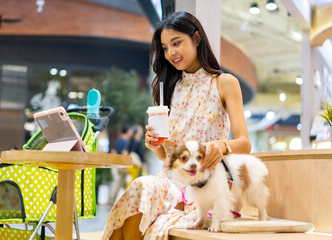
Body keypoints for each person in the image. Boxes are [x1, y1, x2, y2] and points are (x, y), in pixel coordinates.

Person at [102, 11, 251, 240]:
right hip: (169, 180)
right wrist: (155, 146)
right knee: (139, 193)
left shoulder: (225, 83)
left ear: (197, 38)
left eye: (176, 43)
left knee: (142, 189)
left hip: (202, 183)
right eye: (164, 48)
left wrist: (221, 146)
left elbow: (245, 143)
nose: (170, 53)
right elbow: (167, 157)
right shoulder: (170, 89)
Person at [108, 124, 134, 206]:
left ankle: (112, 201)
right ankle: (127, 202)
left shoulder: (118, 140)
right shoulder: (125, 141)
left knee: (118, 183)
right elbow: (124, 153)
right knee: (124, 183)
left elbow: (113, 151)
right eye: (130, 131)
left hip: (116, 164)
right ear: (128, 131)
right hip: (122, 165)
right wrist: (126, 167)